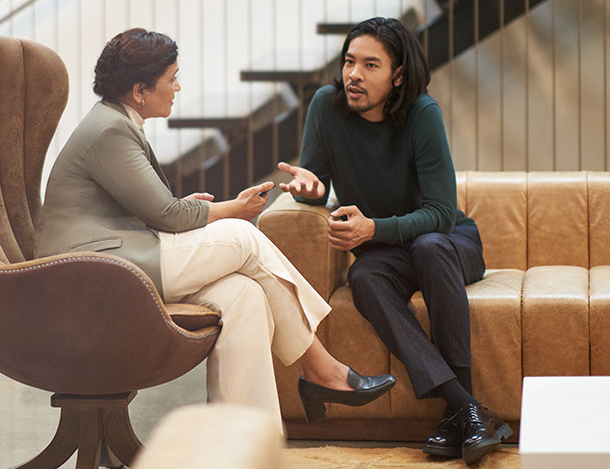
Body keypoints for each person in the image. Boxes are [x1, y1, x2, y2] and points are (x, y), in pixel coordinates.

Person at [34, 27, 395, 434]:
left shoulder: (115, 123)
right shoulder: (111, 131)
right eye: (171, 78)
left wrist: (199, 208)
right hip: (94, 273)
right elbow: (168, 215)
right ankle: (322, 369)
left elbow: (153, 210)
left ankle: (242, 446)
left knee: (246, 295)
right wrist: (235, 210)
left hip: (121, 257)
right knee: (244, 235)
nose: (178, 86)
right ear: (139, 90)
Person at [278, 17, 511, 464]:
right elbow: (319, 183)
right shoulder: (326, 107)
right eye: (349, 62)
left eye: (370, 65)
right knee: (363, 277)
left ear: (397, 75)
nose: (354, 75)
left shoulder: (423, 113)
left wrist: (374, 229)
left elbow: (441, 215)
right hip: (384, 255)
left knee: (428, 247)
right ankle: (467, 409)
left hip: (449, 242)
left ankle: (458, 410)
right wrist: (311, 192)